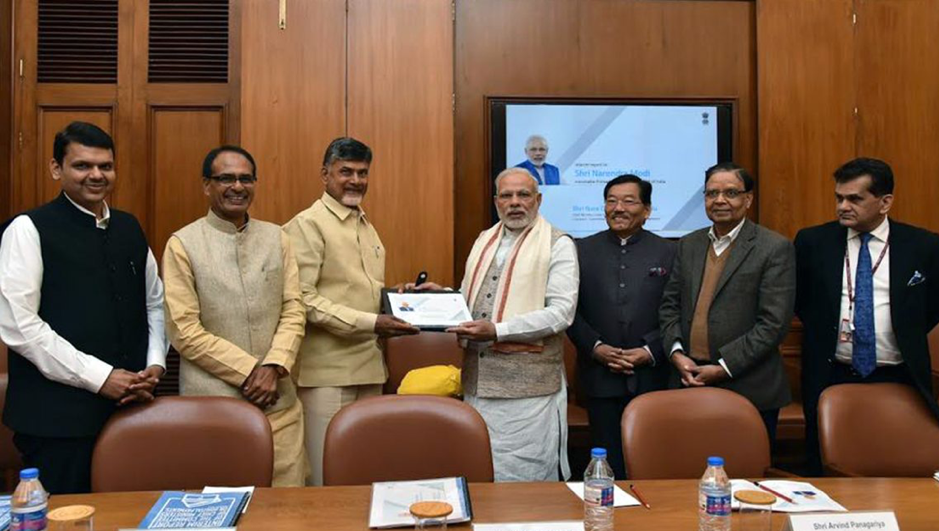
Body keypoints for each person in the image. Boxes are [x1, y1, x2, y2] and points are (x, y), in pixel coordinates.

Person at [0, 122, 167, 494]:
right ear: (56, 169)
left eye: (105, 166)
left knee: (127, 513)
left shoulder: (129, 227)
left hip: (132, 410)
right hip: (57, 423)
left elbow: (155, 303)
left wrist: (154, 363)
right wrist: (100, 377)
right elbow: (20, 327)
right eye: (82, 166)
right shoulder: (28, 229)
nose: (96, 175)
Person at [417, 167, 579, 481]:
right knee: (480, 473)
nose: (515, 202)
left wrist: (498, 330)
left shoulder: (558, 244)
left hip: (529, 392)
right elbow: (472, 300)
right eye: (507, 195)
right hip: (478, 383)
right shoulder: (484, 240)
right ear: (496, 201)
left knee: (524, 479)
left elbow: (561, 313)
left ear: (539, 199)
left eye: (524, 195)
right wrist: (443, 298)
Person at [163, 145, 307, 486]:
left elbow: (294, 308)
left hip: (280, 404)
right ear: (206, 185)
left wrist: (274, 366)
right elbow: (184, 331)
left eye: (245, 178)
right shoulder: (183, 244)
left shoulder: (277, 238)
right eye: (226, 178)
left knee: (288, 512)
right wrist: (250, 371)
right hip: (213, 409)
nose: (237, 186)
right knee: (220, 510)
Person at [283, 137, 418, 486]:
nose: (356, 180)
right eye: (346, 172)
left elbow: (359, 291)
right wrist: (374, 321)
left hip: (370, 370)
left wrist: (399, 299)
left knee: (364, 474)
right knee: (327, 480)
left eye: (362, 173)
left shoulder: (365, 225)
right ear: (325, 174)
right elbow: (304, 299)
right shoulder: (307, 225)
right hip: (326, 376)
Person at [795, 157, 939, 475]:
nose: (843, 206)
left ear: (885, 201)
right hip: (831, 373)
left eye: (855, 199)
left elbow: (930, 309)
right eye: (839, 198)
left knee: (897, 464)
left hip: (898, 374)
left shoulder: (923, 245)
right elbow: (801, 302)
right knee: (824, 463)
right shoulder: (812, 242)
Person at [659, 162, 795, 443]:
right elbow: (669, 306)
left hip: (748, 386)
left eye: (730, 193)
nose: (719, 200)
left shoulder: (773, 248)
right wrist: (676, 354)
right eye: (711, 194)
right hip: (689, 378)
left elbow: (774, 324)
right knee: (686, 472)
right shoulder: (688, 244)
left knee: (744, 477)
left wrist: (723, 367)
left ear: (748, 199)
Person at [567, 174, 675, 479]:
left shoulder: (669, 251)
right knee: (605, 464)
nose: (618, 208)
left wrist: (649, 350)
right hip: (599, 376)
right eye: (611, 200)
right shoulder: (579, 250)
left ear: (647, 209)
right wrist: (596, 347)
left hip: (653, 376)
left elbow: (679, 310)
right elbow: (568, 310)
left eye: (629, 201)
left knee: (653, 463)